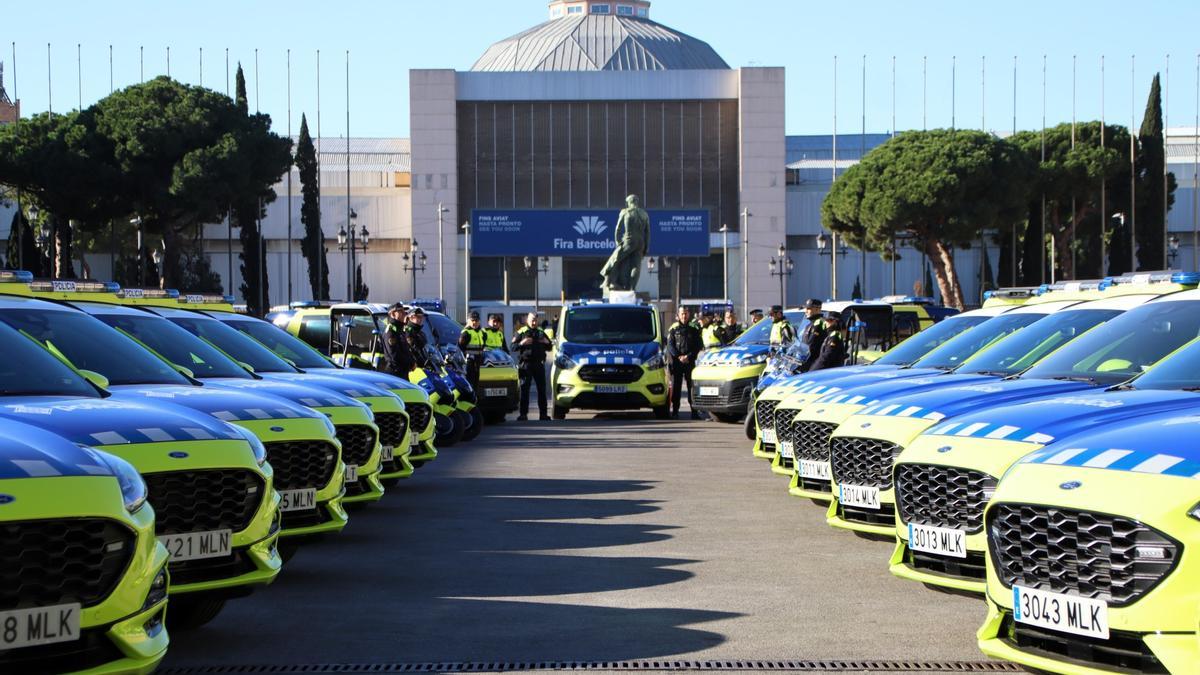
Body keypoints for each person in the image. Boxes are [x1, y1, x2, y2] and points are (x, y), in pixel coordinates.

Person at [665, 306, 704, 419]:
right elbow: (670, 345)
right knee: (676, 387)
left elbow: (698, 345)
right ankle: (675, 411)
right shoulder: (673, 328)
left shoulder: (694, 328)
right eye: (682, 313)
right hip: (676, 362)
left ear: (689, 314)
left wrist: (689, 356)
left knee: (691, 387)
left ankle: (694, 411)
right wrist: (679, 356)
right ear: (678, 315)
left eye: (686, 313)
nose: (684, 316)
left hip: (689, 361)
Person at [512, 312, 552, 421]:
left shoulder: (541, 332)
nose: (534, 322)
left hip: (539, 364)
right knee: (525, 389)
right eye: (532, 320)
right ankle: (523, 414)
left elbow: (549, 347)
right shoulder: (521, 332)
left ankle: (543, 414)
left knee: (541, 390)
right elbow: (513, 347)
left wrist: (546, 342)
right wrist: (522, 343)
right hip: (526, 364)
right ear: (527, 320)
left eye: (535, 320)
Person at [381, 302, 416, 376]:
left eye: (404, 312)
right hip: (395, 373)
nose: (404, 314)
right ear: (393, 314)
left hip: (403, 372)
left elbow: (406, 350)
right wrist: (409, 363)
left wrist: (412, 361)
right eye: (401, 312)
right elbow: (394, 356)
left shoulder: (399, 331)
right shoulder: (391, 332)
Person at [798, 298, 829, 372]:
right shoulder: (810, 324)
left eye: (808, 308)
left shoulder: (820, 323)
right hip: (806, 360)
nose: (806, 311)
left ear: (817, 309)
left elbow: (812, 345)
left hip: (814, 363)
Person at [459, 310, 486, 389]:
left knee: (476, 382)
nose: (475, 322)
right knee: (469, 381)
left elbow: (483, 345)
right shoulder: (466, 333)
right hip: (469, 362)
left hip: (478, 361)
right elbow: (460, 347)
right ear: (468, 321)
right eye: (472, 320)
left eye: (476, 320)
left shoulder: (482, 332)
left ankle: (475, 398)